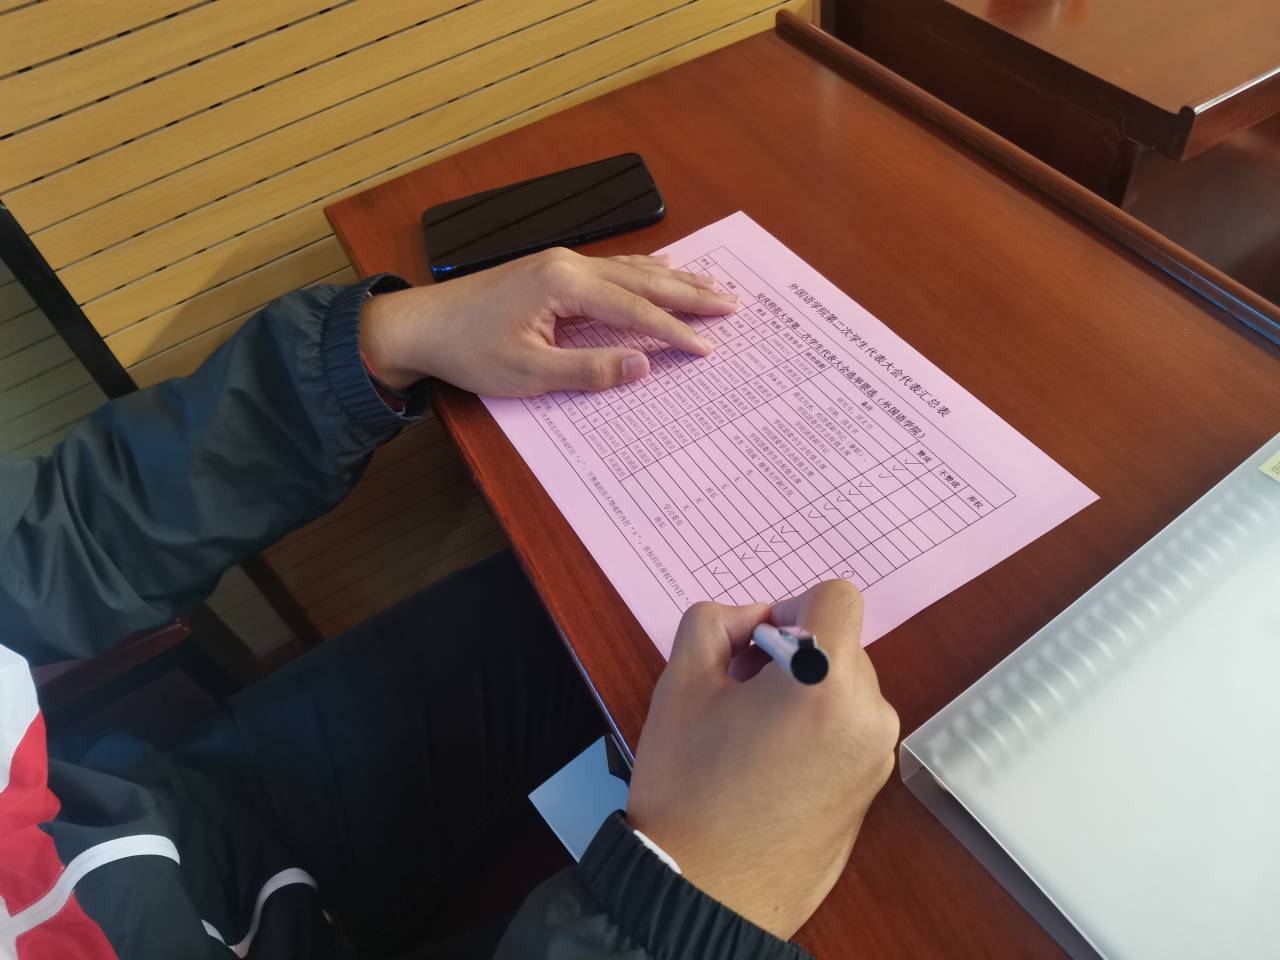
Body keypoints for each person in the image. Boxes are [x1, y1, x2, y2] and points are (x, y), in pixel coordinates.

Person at [0, 248, 899, 959]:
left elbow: (49, 537)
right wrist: (697, 904)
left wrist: (380, 341)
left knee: (594, 614)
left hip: (168, 826)